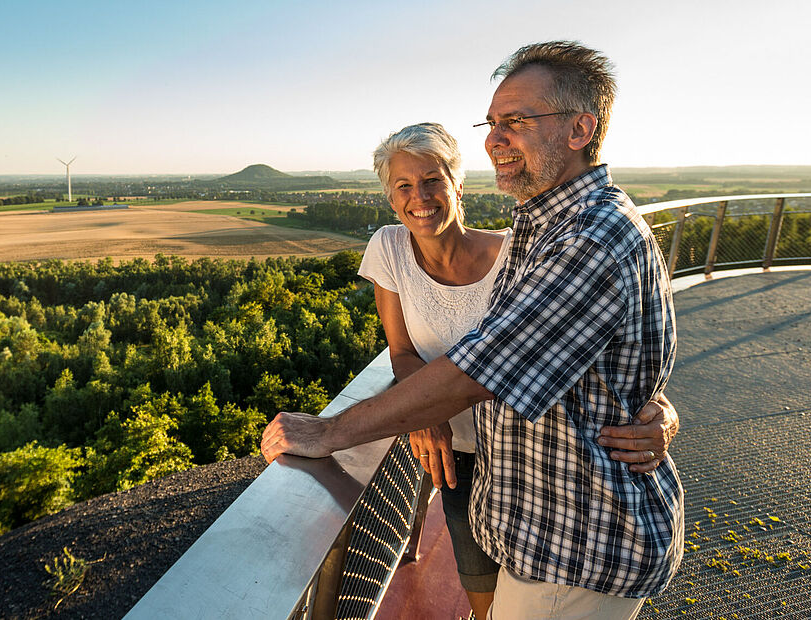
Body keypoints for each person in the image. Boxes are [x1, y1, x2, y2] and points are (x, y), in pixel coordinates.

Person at [261, 41, 682, 619]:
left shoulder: (589, 240)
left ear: (580, 129)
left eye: (516, 121)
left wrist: (331, 432)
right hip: (530, 518)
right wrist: (652, 404)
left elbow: (482, 368)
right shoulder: (545, 226)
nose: (495, 138)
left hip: (575, 544)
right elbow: (598, 361)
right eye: (492, 123)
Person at [355, 121, 677, 620]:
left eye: (433, 180)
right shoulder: (389, 248)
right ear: (389, 197)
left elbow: (602, 343)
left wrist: (659, 408)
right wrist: (421, 413)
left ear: (457, 183)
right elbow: (400, 350)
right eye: (403, 186)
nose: (420, 197)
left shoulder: (518, 251)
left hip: (532, 463)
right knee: (485, 604)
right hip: (459, 459)